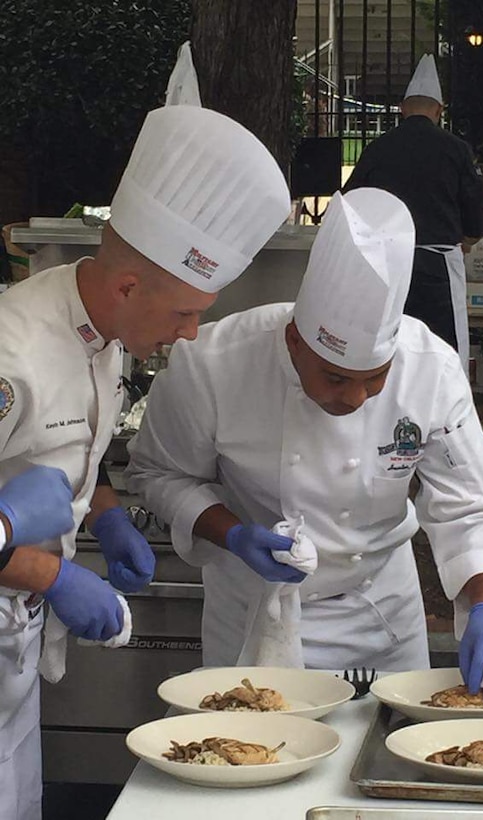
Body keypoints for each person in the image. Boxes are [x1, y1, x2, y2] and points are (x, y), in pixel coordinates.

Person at [126, 187, 483, 705]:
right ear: (295, 341)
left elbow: (471, 503)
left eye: (375, 378)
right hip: (252, 612)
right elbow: (158, 475)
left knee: (388, 759)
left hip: (380, 616)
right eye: (337, 379)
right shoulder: (213, 363)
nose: (357, 398)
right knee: (247, 762)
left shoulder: (430, 367)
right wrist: (232, 534)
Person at [0, 104, 290, 820]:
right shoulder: (12, 355)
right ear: (129, 287)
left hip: (17, 632)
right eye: (184, 314)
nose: (190, 335)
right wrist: (53, 570)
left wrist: (104, 513)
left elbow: (63, 450)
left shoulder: (104, 331)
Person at [342, 53, 483, 372]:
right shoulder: (456, 149)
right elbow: (473, 204)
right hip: (438, 262)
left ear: (402, 110)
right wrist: (470, 235)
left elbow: (351, 200)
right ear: (439, 111)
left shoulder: (378, 148)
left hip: (388, 261)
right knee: (445, 342)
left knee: (389, 338)